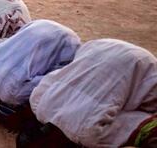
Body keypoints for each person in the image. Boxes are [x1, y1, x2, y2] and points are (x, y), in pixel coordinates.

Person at [21, 39, 157, 148]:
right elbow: (50, 82)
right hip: (104, 46)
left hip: (113, 51)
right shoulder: (39, 107)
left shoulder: (88, 133)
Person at [0, 20, 81, 129]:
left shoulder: (13, 95)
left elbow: (48, 83)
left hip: (67, 42)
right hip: (38, 25)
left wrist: (23, 116)